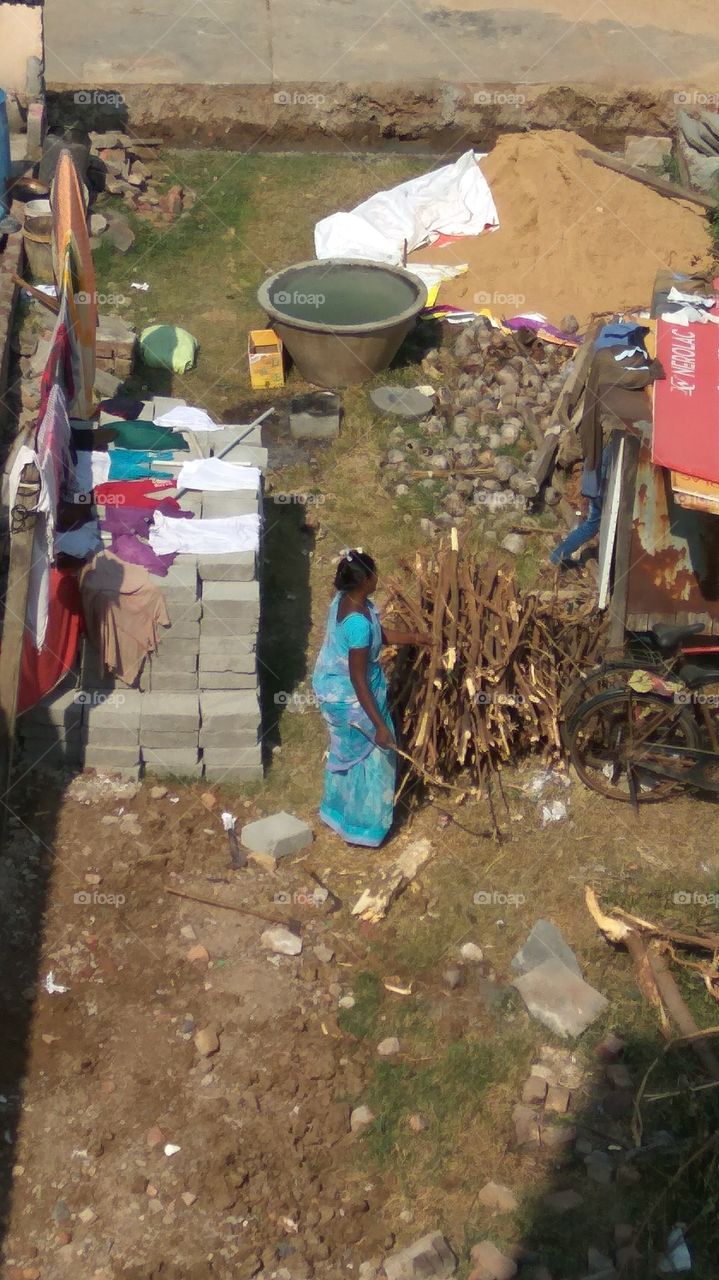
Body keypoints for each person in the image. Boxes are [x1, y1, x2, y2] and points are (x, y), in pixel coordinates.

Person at [312, 549, 431, 848]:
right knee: (376, 758)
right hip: (350, 698)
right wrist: (379, 724)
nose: (378, 576)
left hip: (334, 688)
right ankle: (364, 828)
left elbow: (378, 634)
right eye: (375, 572)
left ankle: (338, 814)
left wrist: (416, 638)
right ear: (366, 579)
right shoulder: (357, 623)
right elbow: (358, 678)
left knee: (349, 755)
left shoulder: (348, 601)